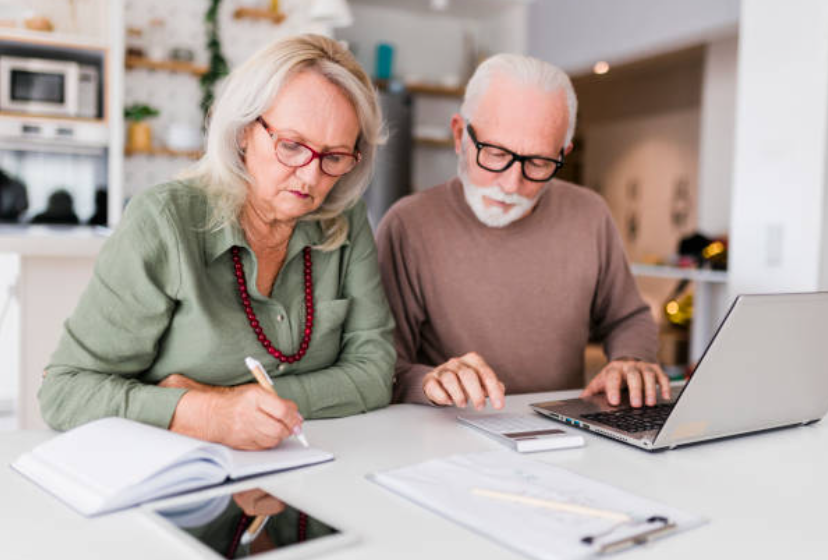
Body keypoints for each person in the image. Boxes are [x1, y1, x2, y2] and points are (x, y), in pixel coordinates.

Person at [40, 34, 395, 450]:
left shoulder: (344, 216)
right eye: (292, 146)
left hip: (305, 471)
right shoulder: (165, 220)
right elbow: (64, 391)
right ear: (245, 131)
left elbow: (375, 373)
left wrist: (232, 403)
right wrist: (202, 415)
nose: (311, 177)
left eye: (334, 157)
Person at [377, 53, 669, 411]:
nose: (512, 184)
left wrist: (631, 360)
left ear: (563, 153)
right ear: (459, 135)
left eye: (539, 162)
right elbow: (382, 368)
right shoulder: (408, 225)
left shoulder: (590, 214)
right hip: (448, 431)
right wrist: (430, 381)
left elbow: (628, 317)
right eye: (496, 154)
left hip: (559, 429)